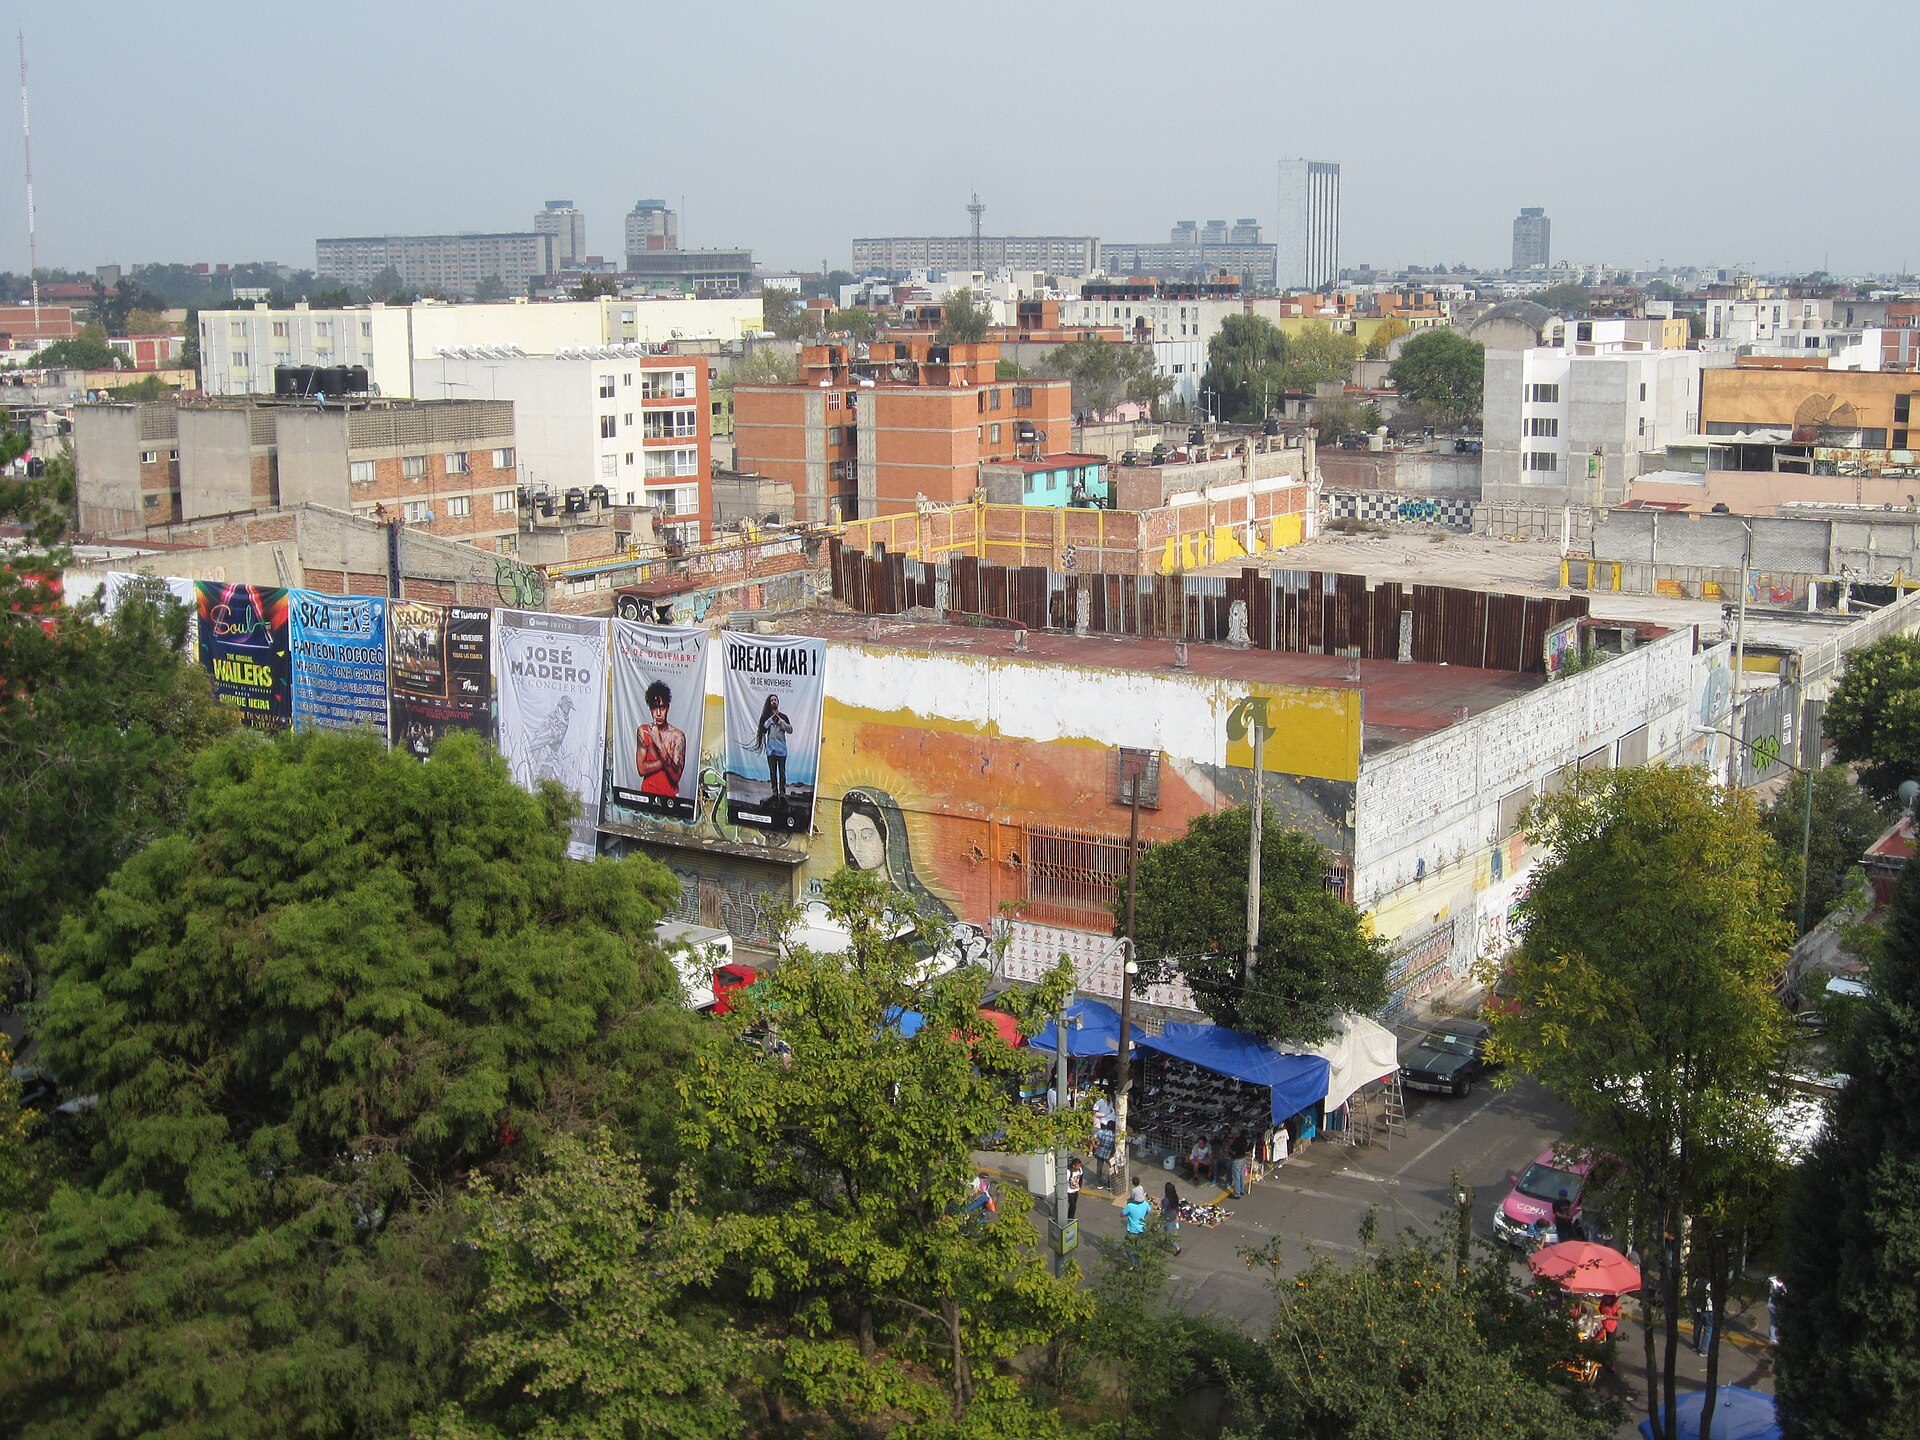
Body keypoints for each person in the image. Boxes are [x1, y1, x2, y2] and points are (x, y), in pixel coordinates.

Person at [635, 679, 687, 800]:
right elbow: (641, 770)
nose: (658, 713)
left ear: (667, 708)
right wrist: (666, 757)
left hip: (670, 798)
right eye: (654, 708)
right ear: (650, 709)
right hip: (647, 794)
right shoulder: (643, 731)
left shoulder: (678, 736)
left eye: (662, 707)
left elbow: (675, 777)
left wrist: (659, 744)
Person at [751, 694, 793, 797]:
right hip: (771, 750)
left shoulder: (784, 716)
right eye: (772, 700)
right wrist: (771, 719)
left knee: (782, 772)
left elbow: (790, 730)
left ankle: (782, 793)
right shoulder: (767, 717)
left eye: (775, 700)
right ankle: (774, 792)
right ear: (769, 703)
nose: (774, 701)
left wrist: (780, 721)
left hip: (782, 750)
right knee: (772, 772)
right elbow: (763, 730)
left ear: (778, 702)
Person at [1227, 1129, 1252, 1199]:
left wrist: (1229, 1150)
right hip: (1243, 1158)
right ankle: (1242, 1190)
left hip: (1237, 1159)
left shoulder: (1237, 1140)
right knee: (1241, 1174)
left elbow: (1233, 1150)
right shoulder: (1245, 1141)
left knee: (1236, 1176)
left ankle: (1237, 1194)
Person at [1161, 1180, 1183, 1256]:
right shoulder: (1175, 1197)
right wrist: (1177, 1215)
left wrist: (1161, 1213)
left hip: (1168, 1218)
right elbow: (1177, 1207)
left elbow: (1164, 1210)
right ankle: (1165, 1242)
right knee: (1167, 1230)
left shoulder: (1166, 1199)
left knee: (1169, 1234)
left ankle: (1177, 1248)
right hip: (1174, 1216)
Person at [1092, 1120, 1116, 1188]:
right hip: (1108, 1154)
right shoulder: (1114, 1136)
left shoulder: (1101, 1132)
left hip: (1100, 1152)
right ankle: (1109, 1183)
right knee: (1111, 1168)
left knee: (1099, 1167)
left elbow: (1093, 1138)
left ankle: (1099, 1183)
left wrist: (1094, 1146)